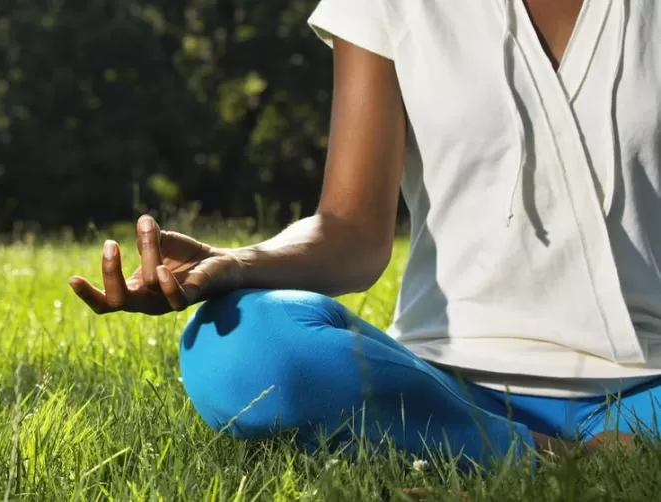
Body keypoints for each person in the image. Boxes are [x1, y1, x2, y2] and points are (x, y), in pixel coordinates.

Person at [69, 0, 661, 467]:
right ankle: (540, 454)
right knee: (236, 345)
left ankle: (489, 457)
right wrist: (239, 262)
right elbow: (350, 229)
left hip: (650, 389)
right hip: (445, 386)